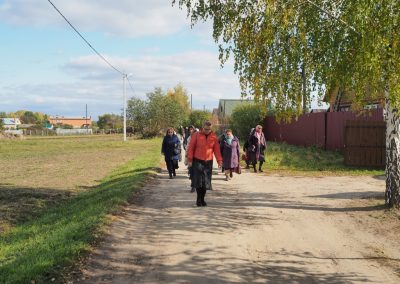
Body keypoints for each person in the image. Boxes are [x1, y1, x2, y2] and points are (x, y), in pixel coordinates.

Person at [187, 121, 222, 206]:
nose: (207, 131)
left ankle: (202, 199)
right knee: (199, 181)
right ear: (203, 127)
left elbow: (216, 149)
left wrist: (219, 160)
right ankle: (198, 199)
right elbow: (191, 148)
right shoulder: (196, 135)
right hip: (197, 160)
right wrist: (190, 160)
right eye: (206, 129)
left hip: (208, 161)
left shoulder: (213, 136)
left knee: (206, 181)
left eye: (209, 129)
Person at [184, 126, 197, 192]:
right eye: (191, 132)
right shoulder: (189, 138)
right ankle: (193, 185)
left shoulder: (199, 139)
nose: (192, 134)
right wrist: (186, 155)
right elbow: (187, 147)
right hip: (190, 158)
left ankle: (195, 185)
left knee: (196, 172)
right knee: (191, 172)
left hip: (197, 158)